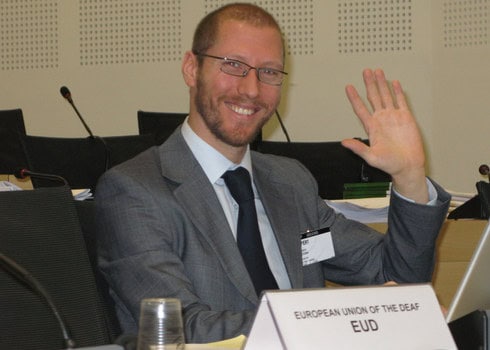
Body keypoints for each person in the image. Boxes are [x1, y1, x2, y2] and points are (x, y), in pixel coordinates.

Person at [95, 3, 450, 343]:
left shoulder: (290, 183)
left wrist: (410, 178)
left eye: (269, 72)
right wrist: (333, 319)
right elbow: (182, 329)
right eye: (234, 65)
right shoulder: (134, 190)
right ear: (192, 68)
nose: (251, 90)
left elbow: (397, 280)